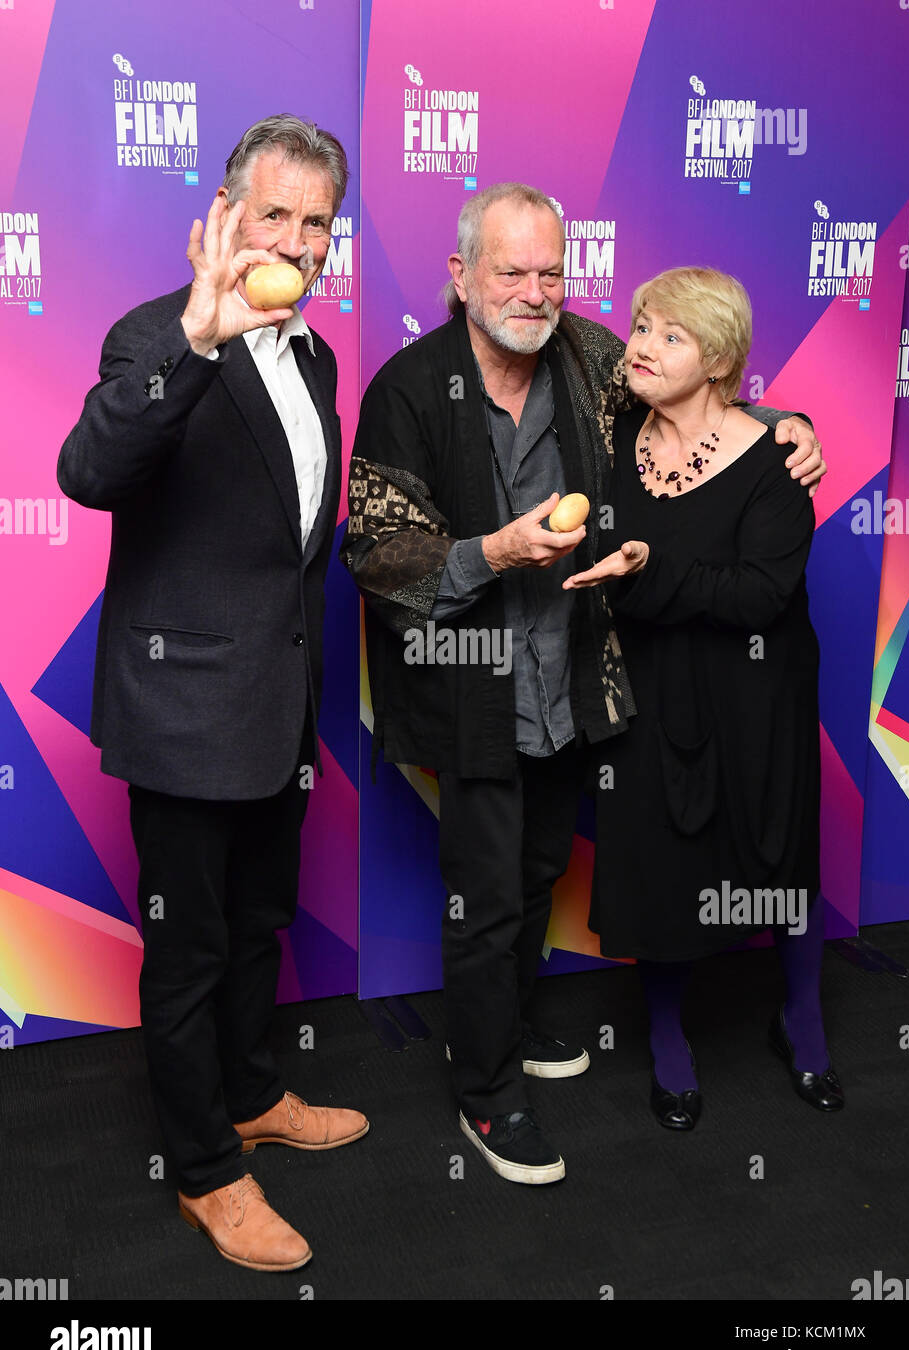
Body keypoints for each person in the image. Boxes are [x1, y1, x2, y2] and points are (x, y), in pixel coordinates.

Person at [341, 184, 825, 1183]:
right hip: (469, 680)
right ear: (460, 275)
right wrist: (491, 552)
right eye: (511, 271)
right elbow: (378, 551)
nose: (532, 290)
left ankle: (500, 1030)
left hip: (572, 683)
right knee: (483, 894)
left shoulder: (587, 359)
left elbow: (697, 389)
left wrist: (789, 421)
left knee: (533, 873)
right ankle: (484, 1093)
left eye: (550, 271)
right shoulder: (406, 387)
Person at [58, 115, 368, 1272]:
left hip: (278, 709)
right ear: (225, 214)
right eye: (274, 214)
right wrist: (195, 339)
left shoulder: (320, 357)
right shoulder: (156, 331)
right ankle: (203, 1170)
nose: (294, 241)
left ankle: (247, 1093)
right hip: (183, 711)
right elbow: (89, 472)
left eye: (316, 223)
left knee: (258, 925)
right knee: (186, 949)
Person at [565, 266, 842, 1130]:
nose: (640, 345)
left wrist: (654, 570)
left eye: (669, 335)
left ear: (718, 359)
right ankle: (666, 1038)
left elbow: (759, 595)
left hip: (758, 696)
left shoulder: (775, 460)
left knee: (776, 856)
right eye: (641, 325)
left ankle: (801, 1022)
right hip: (649, 690)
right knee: (658, 860)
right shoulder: (611, 437)